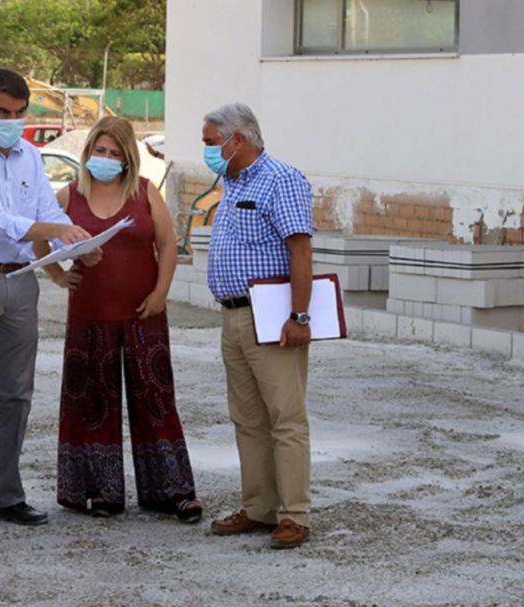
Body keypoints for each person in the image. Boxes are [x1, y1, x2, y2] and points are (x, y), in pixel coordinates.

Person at [0, 68, 97, 533]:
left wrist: (78, 244)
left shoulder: (31, 156)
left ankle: (9, 496)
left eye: (19, 112)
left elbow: (47, 213)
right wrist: (57, 230)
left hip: (22, 282)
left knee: (16, 395)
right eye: (2, 112)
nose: (12, 120)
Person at [35, 117, 202, 522]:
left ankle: (172, 491)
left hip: (143, 314)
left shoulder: (145, 193)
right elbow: (37, 237)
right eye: (99, 151)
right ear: (88, 151)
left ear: (128, 159)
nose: (105, 158)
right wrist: (58, 275)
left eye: (114, 153)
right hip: (89, 315)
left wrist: (161, 293)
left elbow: (166, 243)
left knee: (156, 402)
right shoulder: (68, 195)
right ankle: (100, 491)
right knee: (91, 402)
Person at [201, 103, 315, 550]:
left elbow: (300, 249)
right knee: (248, 419)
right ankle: (259, 507)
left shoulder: (281, 179)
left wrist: (299, 315)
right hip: (232, 315)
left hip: (269, 314)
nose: (208, 150)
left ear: (238, 140)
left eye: (211, 142)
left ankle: (294, 514)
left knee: (285, 417)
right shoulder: (231, 181)